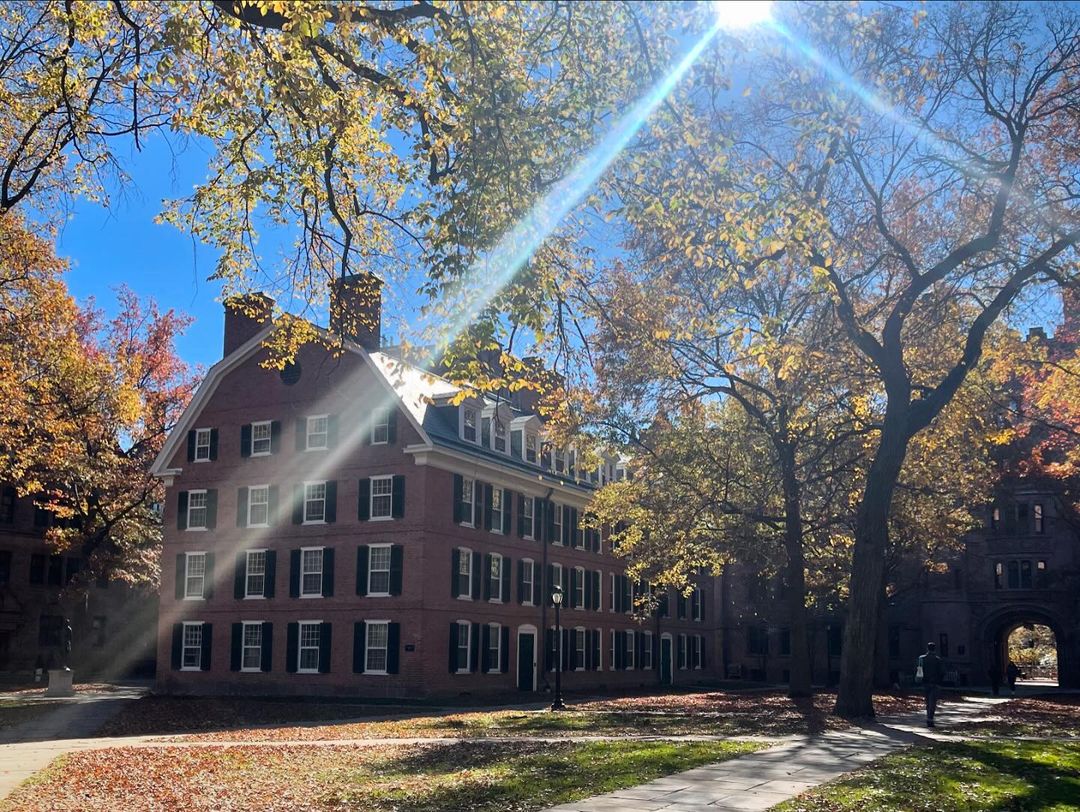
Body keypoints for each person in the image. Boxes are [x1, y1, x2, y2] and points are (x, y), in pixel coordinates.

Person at [916, 642, 945, 728]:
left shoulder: (922, 658)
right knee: (933, 702)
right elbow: (942, 672)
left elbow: (918, 668)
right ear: (935, 649)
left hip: (925, 682)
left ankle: (928, 717)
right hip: (935, 683)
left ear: (927, 648)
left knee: (928, 701)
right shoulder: (938, 660)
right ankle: (930, 719)